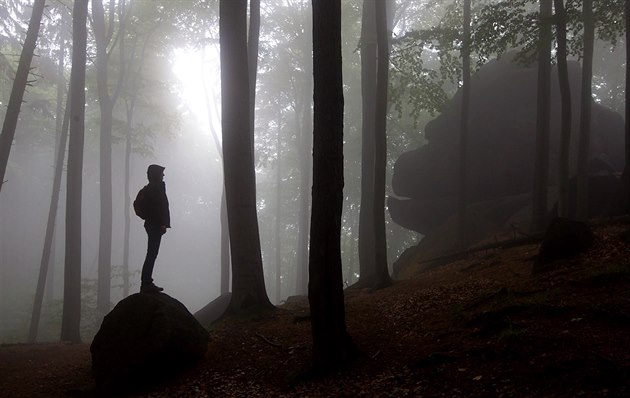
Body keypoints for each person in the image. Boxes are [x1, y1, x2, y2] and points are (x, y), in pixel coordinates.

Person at [140, 164, 170, 293]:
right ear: (156, 175)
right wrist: (162, 224)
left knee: (151, 254)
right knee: (152, 254)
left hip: (151, 224)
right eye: (161, 173)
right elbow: (160, 208)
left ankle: (146, 282)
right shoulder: (156, 189)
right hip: (155, 225)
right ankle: (146, 283)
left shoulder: (150, 188)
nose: (163, 175)